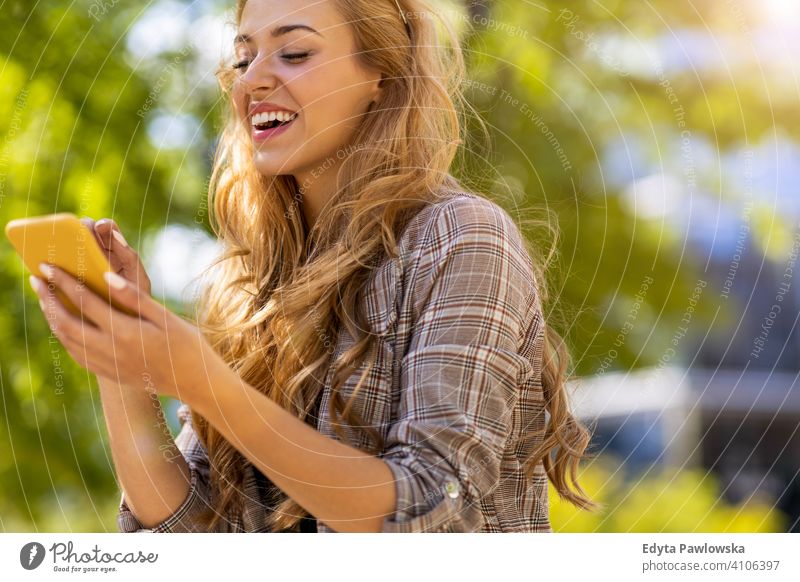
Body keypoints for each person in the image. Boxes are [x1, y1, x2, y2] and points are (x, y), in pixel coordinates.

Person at [30, 0, 600, 533]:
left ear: (381, 74)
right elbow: (187, 534)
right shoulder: (248, 281)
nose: (252, 80)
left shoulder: (460, 239)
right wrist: (120, 359)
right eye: (243, 57)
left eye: (294, 52)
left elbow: (432, 510)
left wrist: (204, 381)